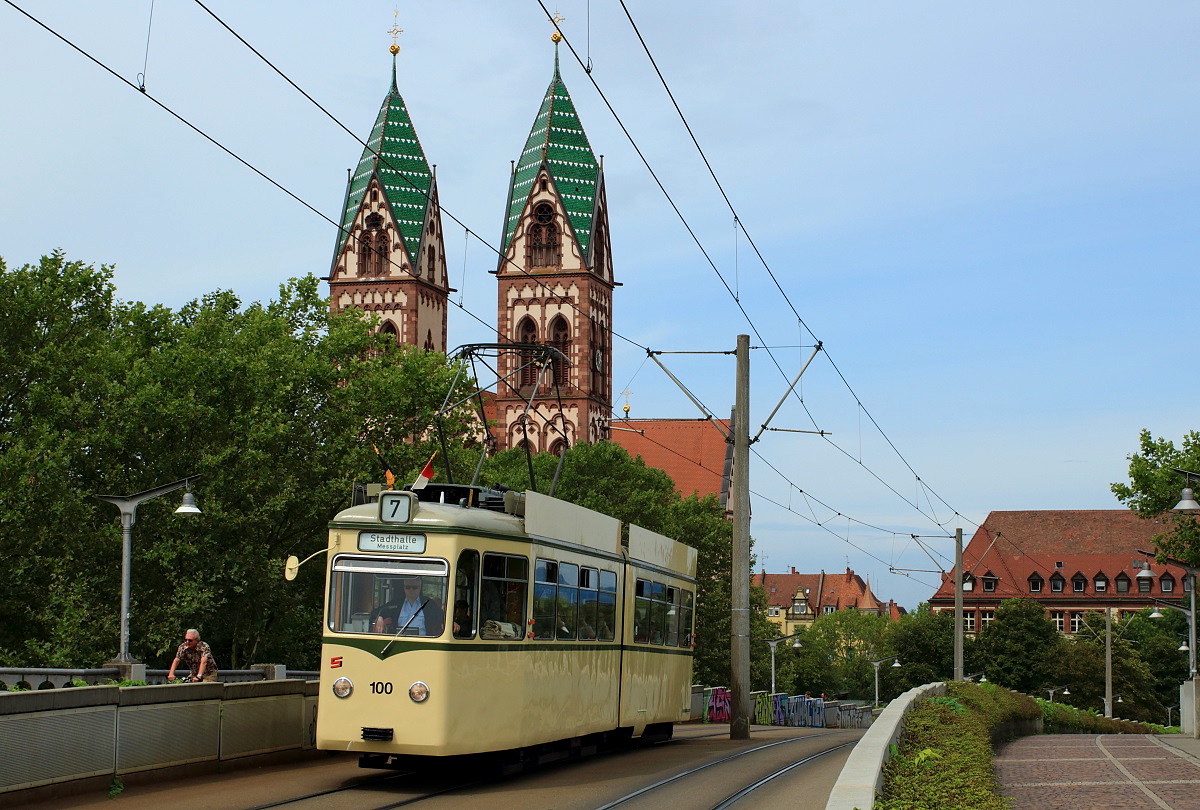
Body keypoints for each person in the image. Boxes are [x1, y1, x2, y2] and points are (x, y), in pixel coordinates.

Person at [372, 577, 444, 636]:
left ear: (420, 588)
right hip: (398, 642)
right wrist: (379, 617)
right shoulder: (396, 603)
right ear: (404, 588)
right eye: (408, 587)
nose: (411, 590)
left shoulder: (428, 603)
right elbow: (375, 612)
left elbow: (442, 617)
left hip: (423, 642)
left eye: (414, 587)